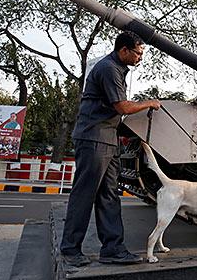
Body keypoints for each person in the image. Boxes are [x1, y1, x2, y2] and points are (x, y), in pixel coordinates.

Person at [60, 31, 161, 266]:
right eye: (138, 53)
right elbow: (123, 107)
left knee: (109, 195)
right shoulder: (109, 68)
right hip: (94, 137)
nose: (140, 58)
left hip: (108, 138)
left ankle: (113, 249)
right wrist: (150, 103)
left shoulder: (117, 69)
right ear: (123, 50)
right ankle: (70, 249)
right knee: (84, 195)